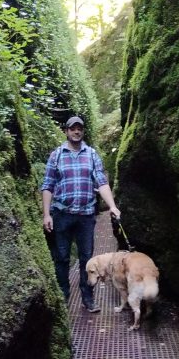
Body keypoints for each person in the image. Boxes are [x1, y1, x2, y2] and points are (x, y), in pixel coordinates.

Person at [41, 115, 121, 312]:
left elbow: (101, 182)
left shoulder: (92, 154)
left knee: (87, 258)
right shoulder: (56, 155)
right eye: (72, 128)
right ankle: (64, 296)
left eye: (79, 128)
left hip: (86, 215)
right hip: (62, 214)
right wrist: (46, 214)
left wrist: (112, 205)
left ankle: (88, 298)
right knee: (61, 258)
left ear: (82, 131)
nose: (76, 131)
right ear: (66, 131)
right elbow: (47, 186)